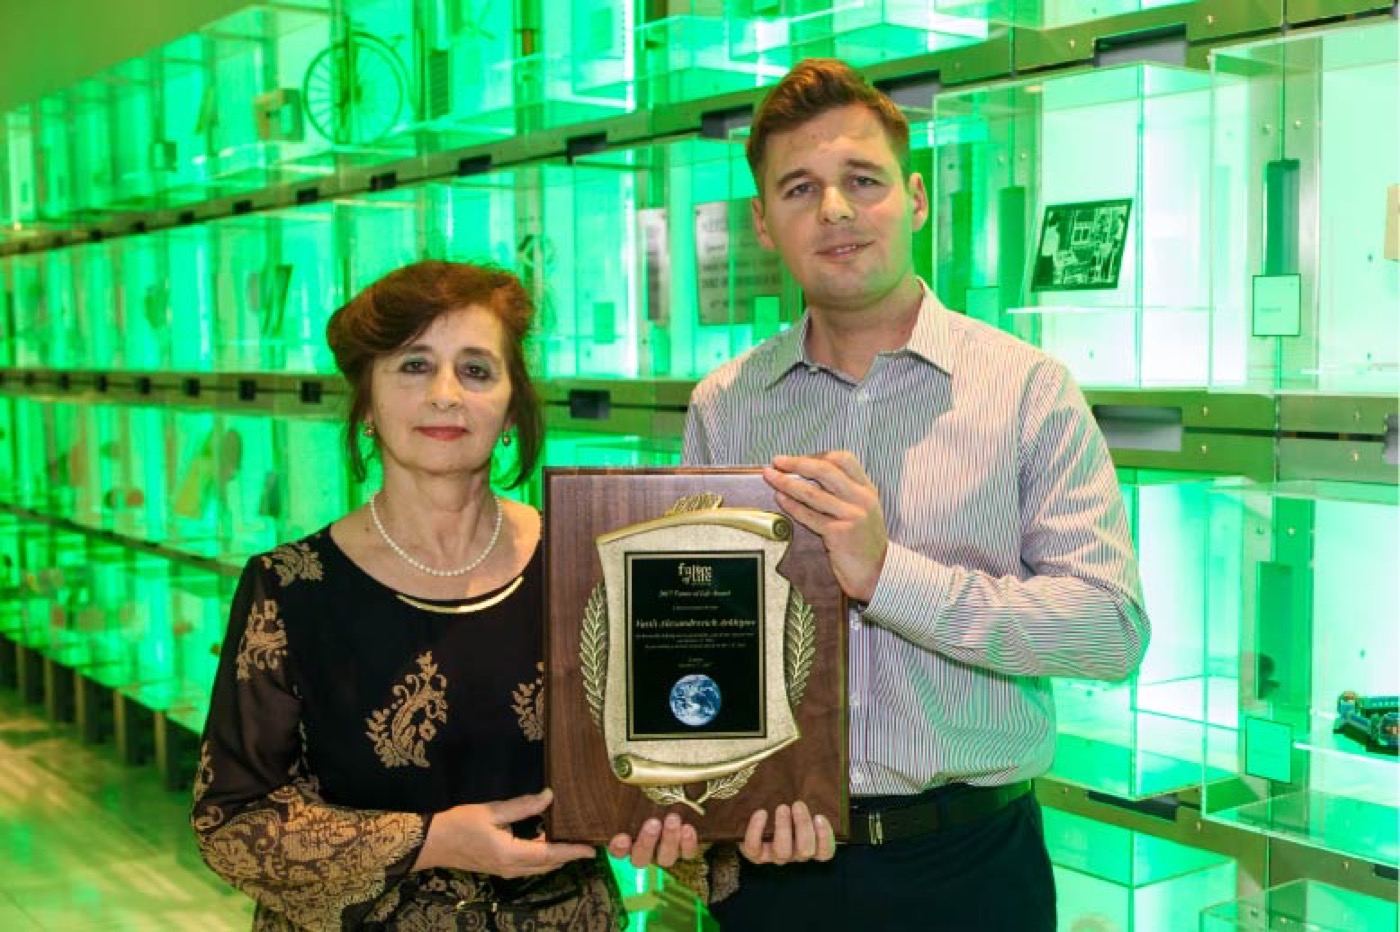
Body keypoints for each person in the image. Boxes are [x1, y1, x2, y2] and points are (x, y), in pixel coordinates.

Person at [679, 59, 1151, 930]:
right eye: (799, 188)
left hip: (969, 866)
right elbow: (702, 640)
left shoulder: (1026, 390)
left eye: (864, 180)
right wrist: (697, 794)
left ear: (918, 197)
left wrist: (888, 575)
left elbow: (1111, 630)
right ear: (763, 222)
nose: (835, 211)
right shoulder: (724, 404)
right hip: (774, 871)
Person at [191, 260, 694, 930]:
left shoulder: (584, 568)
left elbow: (669, 761)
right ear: (367, 402)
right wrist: (429, 840)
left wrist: (689, 822)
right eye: (413, 366)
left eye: (477, 369)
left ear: (512, 407)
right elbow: (231, 820)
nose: (446, 395)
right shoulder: (287, 588)